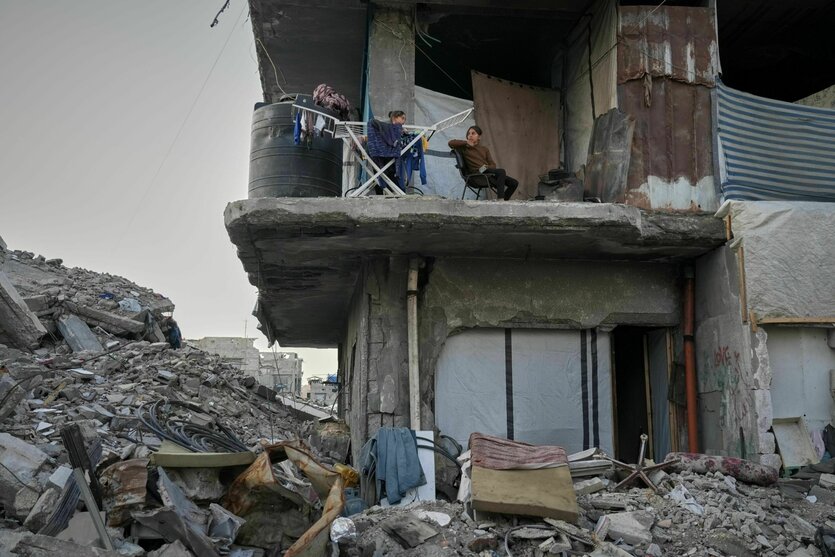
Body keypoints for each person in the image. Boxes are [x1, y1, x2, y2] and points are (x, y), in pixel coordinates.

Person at [449, 126, 518, 200]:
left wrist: (485, 167)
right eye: (469, 134)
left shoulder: (484, 149)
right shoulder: (464, 148)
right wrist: (467, 143)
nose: (470, 135)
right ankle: (500, 199)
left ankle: (504, 200)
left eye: (473, 133)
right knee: (501, 171)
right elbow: (450, 143)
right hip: (476, 175)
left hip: (486, 171)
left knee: (514, 183)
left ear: (479, 137)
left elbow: (493, 165)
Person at [367, 110, 407, 193]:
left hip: (384, 153)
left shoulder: (397, 129)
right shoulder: (385, 126)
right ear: (395, 117)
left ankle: (392, 191)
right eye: (402, 118)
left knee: (385, 171)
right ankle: (392, 192)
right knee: (382, 171)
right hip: (382, 152)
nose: (404, 121)